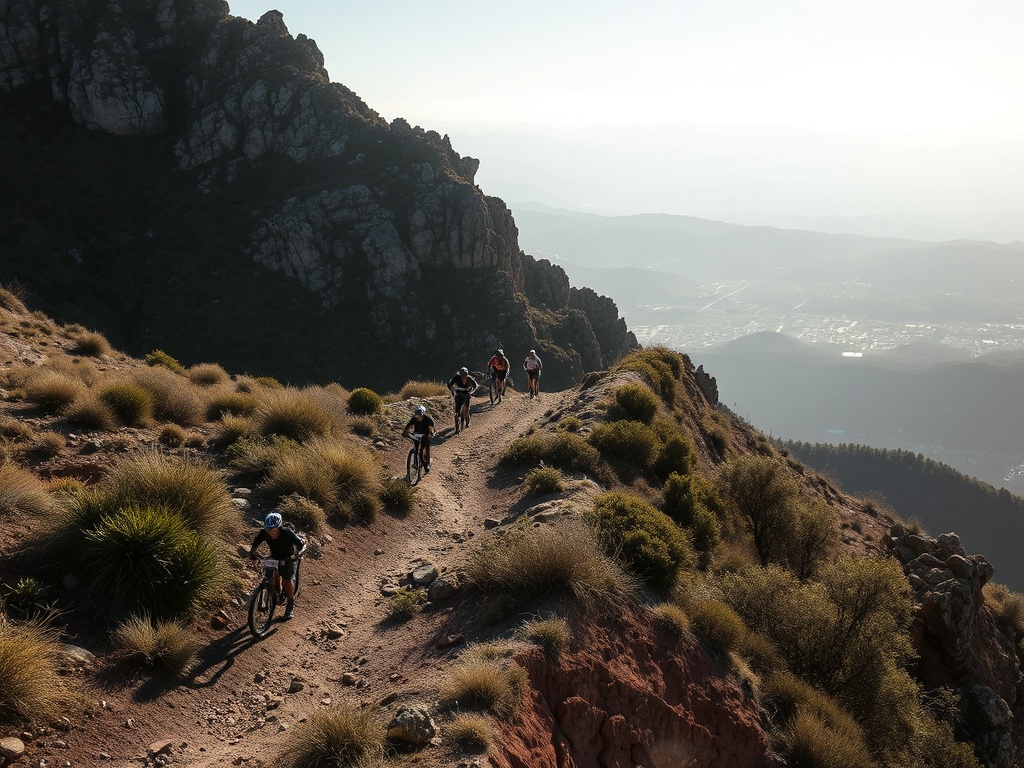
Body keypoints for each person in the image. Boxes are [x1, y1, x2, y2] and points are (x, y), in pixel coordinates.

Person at [247, 511, 306, 619]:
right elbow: (256, 542)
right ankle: (273, 594)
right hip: (274, 557)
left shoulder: (287, 532)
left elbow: (300, 544)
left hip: (287, 558)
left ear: (279, 527)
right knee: (270, 577)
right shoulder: (264, 533)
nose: (271, 533)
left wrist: (297, 555)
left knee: (286, 580)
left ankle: (290, 604)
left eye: (273, 530)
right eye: (268, 530)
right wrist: (253, 552)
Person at [402, 404, 436, 472]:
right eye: (417, 417)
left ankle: (427, 464)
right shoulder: (413, 419)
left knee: (425, 445)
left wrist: (431, 433)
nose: (418, 418)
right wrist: (406, 433)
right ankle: (415, 463)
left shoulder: (428, 419)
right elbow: (408, 427)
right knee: (416, 448)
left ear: (423, 414)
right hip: (417, 434)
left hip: (425, 434)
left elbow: (431, 428)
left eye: (420, 416)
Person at [448, 366, 478, 432]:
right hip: (458, 393)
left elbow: (475, 386)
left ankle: (467, 421)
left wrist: (471, 392)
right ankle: (457, 420)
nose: (463, 377)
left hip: (467, 393)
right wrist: (453, 391)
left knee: (466, 409)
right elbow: (450, 384)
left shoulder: (470, 379)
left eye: (464, 375)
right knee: (456, 408)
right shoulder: (456, 378)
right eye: (462, 375)